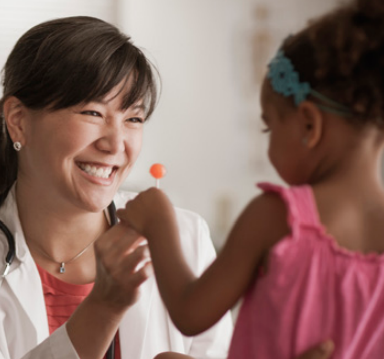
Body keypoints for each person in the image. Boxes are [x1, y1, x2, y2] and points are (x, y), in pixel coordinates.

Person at [117, 0, 384, 358]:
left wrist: (159, 221)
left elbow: (190, 312)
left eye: (269, 125)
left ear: (309, 125)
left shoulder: (278, 217)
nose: (269, 139)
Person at [0, 16, 234, 359]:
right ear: (19, 121)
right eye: (93, 113)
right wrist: (104, 306)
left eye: (133, 119)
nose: (116, 144)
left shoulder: (184, 239)